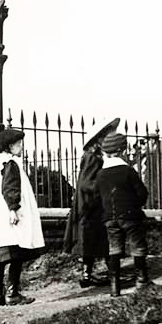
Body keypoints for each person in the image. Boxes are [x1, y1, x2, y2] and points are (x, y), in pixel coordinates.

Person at [0, 128, 44, 306]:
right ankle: (12, 293)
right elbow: (10, 187)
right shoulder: (10, 163)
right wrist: (13, 208)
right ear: (9, 146)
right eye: (18, 144)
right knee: (17, 254)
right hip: (9, 214)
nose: (21, 147)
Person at [62, 118, 120, 288]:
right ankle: (93, 274)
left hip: (93, 203)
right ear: (100, 138)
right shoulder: (92, 157)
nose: (111, 136)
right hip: (90, 205)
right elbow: (87, 183)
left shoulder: (96, 155)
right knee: (93, 238)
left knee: (95, 238)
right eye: (108, 133)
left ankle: (90, 274)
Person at [96, 132, 151, 297]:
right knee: (137, 245)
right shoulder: (128, 171)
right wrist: (135, 205)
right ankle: (142, 281)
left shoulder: (100, 174)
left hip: (110, 218)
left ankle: (115, 288)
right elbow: (142, 193)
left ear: (106, 152)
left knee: (114, 249)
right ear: (122, 150)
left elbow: (98, 197)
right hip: (130, 215)